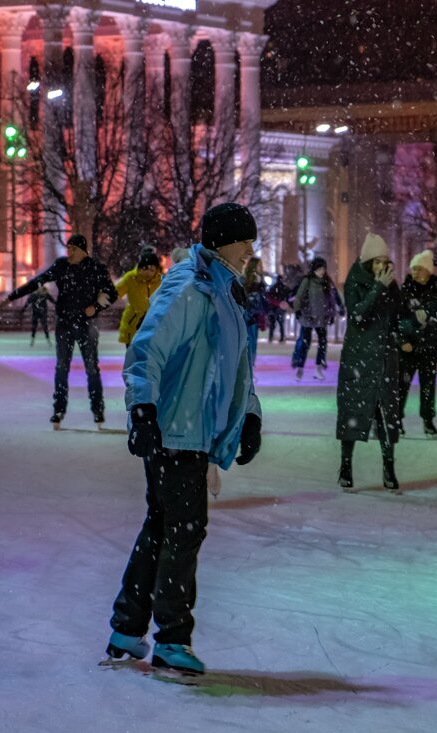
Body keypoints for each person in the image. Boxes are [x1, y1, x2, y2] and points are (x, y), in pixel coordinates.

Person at [107, 202, 262, 676]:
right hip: (175, 429)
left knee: (164, 525)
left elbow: (236, 366)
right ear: (223, 242)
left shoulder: (223, 291)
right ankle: (172, 637)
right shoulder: (189, 285)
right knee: (183, 528)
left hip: (194, 430)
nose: (251, 251)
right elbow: (146, 348)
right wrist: (142, 409)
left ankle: (127, 628)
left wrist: (249, 415)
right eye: (244, 241)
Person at [1, 234, 117, 428]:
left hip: (87, 325)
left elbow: (112, 293)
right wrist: (12, 297)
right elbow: (38, 281)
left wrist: (96, 308)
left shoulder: (96, 269)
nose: (69, 252)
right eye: (68, 248)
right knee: (62, 368)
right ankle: (58, 410)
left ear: (82, 251)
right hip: (64, 323)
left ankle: (97, 410)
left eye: (73, 249)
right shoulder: (62, 266)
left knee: (92, 368)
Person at [336, 234, 407, 491]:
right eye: (377, 261)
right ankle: (346, 465)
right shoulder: (355, 281)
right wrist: (378, 287)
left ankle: (389, 467)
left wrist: (408, 328)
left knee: (387, 416)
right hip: (359, 358)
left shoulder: (391, 284)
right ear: (368, 262)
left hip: (386, 358)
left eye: (385, 261)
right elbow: (357, 315)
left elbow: (400, 315)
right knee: (352, 413)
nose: (382, 266)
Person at [398, 250, 437, 438]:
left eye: (419, 269)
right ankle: (397, 419)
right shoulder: (405, 291)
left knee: (428, 387)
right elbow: (398, 318)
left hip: (429, 347)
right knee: (402, 386)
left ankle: (428, 420)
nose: (415, 273)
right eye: (413, 269)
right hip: (409, 349)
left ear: (428, 270)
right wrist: (403, 340)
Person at [289, 257, 345, 380]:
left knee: (323, 344)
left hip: (322, 317)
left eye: (323, 268)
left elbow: (333, 297)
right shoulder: (307, 281)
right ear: (314, 269)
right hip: (308, 316)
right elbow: (299, 296)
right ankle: (300, 368)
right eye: (319, 268)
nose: (322, 271)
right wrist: (297, 310)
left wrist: (338, 309)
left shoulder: (327, 282)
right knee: (305, 344)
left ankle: (319, 368)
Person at [114, 246, 163, 347]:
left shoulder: (161, 281)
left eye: (151, 269)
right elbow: (115, 293)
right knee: (133, 356)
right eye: (145, 268)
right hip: (134, 324)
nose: (148, 273)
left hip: (154, 324)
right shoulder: (131, 278)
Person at [242, 256, 269, 367]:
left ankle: (251, 363)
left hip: (256, 315)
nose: (261, 267)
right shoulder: (246, 281)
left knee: (253, 340)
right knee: (249, 340)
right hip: (248, 315)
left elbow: (263, 299)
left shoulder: (261, 280)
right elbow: (245, 298)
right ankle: (248, 364)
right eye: (259, 265)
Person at [264, 276, 290, 342]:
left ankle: (271, 337)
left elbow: (268, 297)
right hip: (281, 309)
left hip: (273, 308)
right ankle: (281, 338)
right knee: (281, 324)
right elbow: (288, 297)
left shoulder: (273, 287)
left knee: (272, 324)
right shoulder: (284, 288)